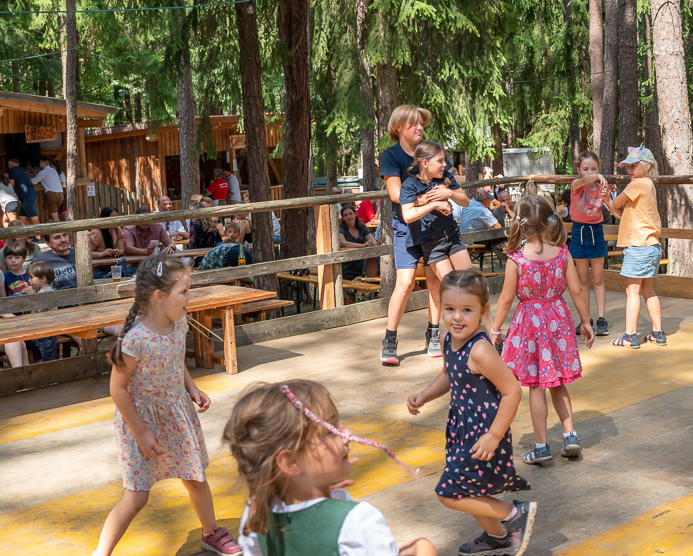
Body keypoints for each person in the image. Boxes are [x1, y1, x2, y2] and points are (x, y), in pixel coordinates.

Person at [92, 255, 241, 556]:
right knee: (136, 497)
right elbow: (117, 389)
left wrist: (191, 388)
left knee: (195, 478)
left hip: (176, 414)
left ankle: (210, 531)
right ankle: (101, 553)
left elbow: (175, 360)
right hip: (140, 422)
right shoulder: (135, 340)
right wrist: (141, 432)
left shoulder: (179, 323)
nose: (189, 297)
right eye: (184, 291)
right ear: (159, 296)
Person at [223, 381, 438, 556]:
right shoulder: (358, 521)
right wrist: (424, 549)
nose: (347, 434)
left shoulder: (255, 514)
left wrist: (322, 490)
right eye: (330, 431)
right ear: (290, 462)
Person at [406, 270, 536, 556]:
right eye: (449, 308)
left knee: (450, 493)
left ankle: (515, 513)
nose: (457, 317)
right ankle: (498, 536)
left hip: (484, 431)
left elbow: (512, 391)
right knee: (469, 489)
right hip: (461, 427)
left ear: (482, 311)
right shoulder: (446, 340)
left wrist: (494, 435)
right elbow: (448, 375)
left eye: (467, 310)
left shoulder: (480, 350)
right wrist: (425, 395)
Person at [491, 195, 594, 464]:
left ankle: (540, 446)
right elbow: (576, 291)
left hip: (530, 326)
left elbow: (506, 299)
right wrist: (585, 321)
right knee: (558, 383)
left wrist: (495, 329)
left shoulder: (516, 259)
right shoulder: (562, 253)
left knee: (536, 386)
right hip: (558, 320)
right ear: (550, 222)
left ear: (521, 224)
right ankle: (570, 436)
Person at [379, 104, 443, 366]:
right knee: (404, 283)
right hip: (405, 227)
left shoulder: (430, 151)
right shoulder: (391, 156)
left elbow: (446, 181)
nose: (420, 127)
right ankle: (390, 339)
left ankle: (434, 333)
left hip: (434, 226)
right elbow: (396, 195)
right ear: (399, 128)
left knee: (435, 281)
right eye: (414, 123)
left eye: (421, 123)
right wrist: (429, 198)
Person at [399, 140, 473, 357]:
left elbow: (465, 201)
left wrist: (448, 193)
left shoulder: (446, 178)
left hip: (452, 236)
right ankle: (451, 338)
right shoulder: (410, 185)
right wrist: (433, 204)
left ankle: (488, 336)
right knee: (451, 289)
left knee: (473, 284)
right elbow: (407, 215)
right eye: (440, 161)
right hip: (431, 243)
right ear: (425, 163)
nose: (445, 165)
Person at [606, 147, 667, 348]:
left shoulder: (637, 184)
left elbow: (616, 203)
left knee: (632, 291)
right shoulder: (648, 185)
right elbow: (620, 213)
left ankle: (629, 336)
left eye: (633, 166)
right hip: (651, 246)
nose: (629, 170)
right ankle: (658, 333)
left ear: (647, 166)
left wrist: (608, 199)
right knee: (648, 290)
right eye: (628, 167)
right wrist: (607, 201)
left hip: (638, 246)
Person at [568, 151, 610, 337]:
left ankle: (601, 319)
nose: (590, 172)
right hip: (579, 232)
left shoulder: (601, 187)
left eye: (594, 168)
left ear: (599, 168)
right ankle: (586, 320)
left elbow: (611, 205)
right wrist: (597, 176)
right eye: (585, 169)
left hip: (596, 232)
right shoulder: (576, 185)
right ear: (579, 170)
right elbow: (584, 181)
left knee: (598, 278)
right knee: (583, 279)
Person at [338, 205, 379, 285]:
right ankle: (369, 285)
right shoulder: (341, 228)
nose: (349, 217)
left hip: (362, 260)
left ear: (355, 214)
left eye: (350, 214)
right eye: (346, 215)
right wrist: (362, 246)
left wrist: (370, 243)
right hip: (347, 261)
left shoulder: (362, 226)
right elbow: (343, 243)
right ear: (343, 218)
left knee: (372, 256)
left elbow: (374, 241)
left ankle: (371, 285)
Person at [8, 157, 40, 226]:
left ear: (11, 164)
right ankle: (31, 231)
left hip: (27, 196)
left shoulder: (12, 170)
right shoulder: (21, 170)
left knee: (34, 218)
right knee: (21, 217)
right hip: (31, 195)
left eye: (9, 164)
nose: (8, 166)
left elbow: (12, 184)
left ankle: (40, 233)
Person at [32, 157, 65, 222]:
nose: (39, 164)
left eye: (40, 163)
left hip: (52, 194)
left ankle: (60, 228)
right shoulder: (54, 170)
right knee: (53, 215)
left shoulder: (42, 172)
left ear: (43, 163)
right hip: (60, 194)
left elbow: (33, 182)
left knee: (55, 217)